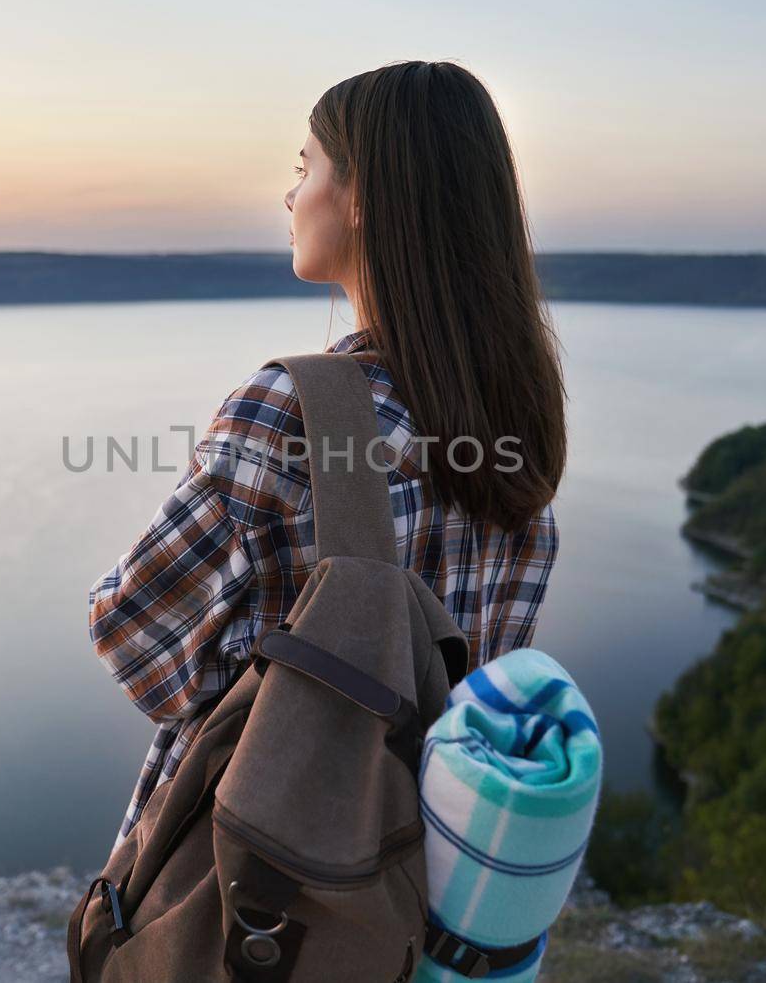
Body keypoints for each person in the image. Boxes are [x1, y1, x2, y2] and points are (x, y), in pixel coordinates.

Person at [88, 59, 569, 851]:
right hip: (412, 870)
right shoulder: (516, 423)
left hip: (255, 872)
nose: (289, 194)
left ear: (363, 199)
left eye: (305, 166)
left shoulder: (295, 411)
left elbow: (134, 639)